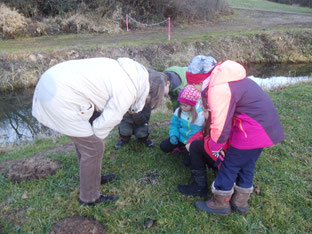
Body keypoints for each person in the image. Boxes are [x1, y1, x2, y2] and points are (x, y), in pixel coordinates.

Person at [32, 57, 166, 206]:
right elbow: (109, 119)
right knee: (94, 148)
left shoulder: (130, 73)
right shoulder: (127, 89)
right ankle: (89, 197)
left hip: (54, 86)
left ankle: (92, 176)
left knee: (88, 143)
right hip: (59, 98)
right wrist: (95, 141)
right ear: (150, 91)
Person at [185, 55, 285, 216]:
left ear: (199, 81)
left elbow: (221, 123)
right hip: (265, 128)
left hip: (250, 130)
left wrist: (215, 147)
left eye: (193, 85)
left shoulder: (218, 89)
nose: (194, 90)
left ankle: (220, 204)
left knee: (229, 165)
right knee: (247, 165)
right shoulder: (228, 78)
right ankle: (240, 202)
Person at [177, 110, 230, 198]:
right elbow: (204, 133)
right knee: (192, 148)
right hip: (220, 159)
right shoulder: (214, 120)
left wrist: (192, 145)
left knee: (196, 146)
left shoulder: (221, 124)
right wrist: (190, 142)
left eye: (205, 110)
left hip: (222, 161)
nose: (202, 113)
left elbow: (216, 149)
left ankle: (199, 186)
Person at [160, 85, 205, 167]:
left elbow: (203, 133)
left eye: (185, 105)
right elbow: (174, 125)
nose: (182, 107)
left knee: (187, 162)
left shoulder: (201, 115)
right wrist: (174, 135)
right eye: (181, 104)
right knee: (164, 146)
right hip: (180, 137)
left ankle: (186, 149)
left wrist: (193, 143)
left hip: (192, 142)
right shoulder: (178, 111)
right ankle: (180, 147)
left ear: (193, 104)